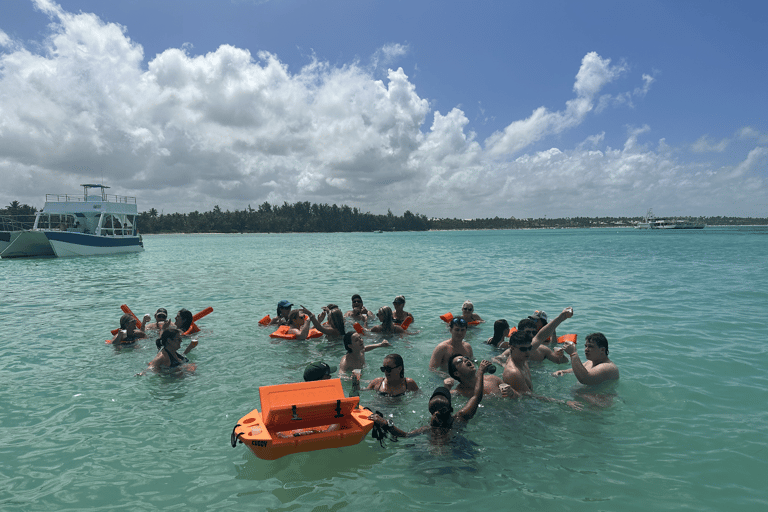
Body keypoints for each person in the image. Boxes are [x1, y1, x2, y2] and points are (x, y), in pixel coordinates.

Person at [368, 360, 493, 441]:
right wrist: (480, 371)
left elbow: (404, 435)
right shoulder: (461, 417)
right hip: (459, 450)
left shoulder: (427, 428)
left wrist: (385, 423)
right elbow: (476, 396)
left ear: (430, 410)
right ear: (450, 407)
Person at [553, 332, 619, 385]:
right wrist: (563, 371)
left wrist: (573, 354)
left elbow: (585, 379)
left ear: (602, 350)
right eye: (586, 346)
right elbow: (575, 370)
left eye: (590, 346)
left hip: (597, 400)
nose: (586, 349)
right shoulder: (590, 362)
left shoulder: (608, 367)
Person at [444, 354, 513, 397]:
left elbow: (518, 395)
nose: (466, 359)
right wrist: (446, 388)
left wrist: (512, 393)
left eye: (466, 358)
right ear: (456, 373)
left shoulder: (493, 379)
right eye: (460, 360)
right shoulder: (459, 393)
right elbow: (440, 402)